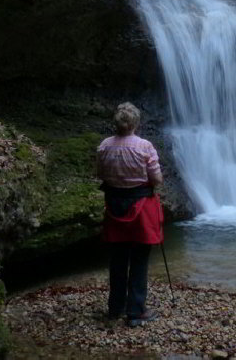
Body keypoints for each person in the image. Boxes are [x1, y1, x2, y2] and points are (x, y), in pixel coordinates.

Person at [96, 102, 164, 328]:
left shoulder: (104, 146)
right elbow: (156, 179)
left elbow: (100, 173)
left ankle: (115, 308)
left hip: (114, 205)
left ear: (116, 122)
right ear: (135, 123)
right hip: (141, 206)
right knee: (139, 259)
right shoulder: (144, 147)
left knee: (117, 259)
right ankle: (135, 311)